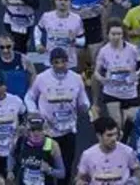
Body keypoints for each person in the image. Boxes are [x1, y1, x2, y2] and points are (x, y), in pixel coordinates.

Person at [24, 48, 91, 185]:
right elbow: (29, 97)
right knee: (46, 165)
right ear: (51, 63)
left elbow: (83, 100)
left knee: (66, 166)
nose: (60, 65)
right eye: (56, 62)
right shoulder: (41, 78)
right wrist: (35, 112)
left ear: (67, 62)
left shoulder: (76, 78)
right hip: (48, 132)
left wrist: (84, 106)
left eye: (63, 62)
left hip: (68, 130)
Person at [74, 117, 140, 185]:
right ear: (99, 136)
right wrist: (80, 182)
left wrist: (132, 182)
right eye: (109, 135)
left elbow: (138, 169)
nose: (114, 138)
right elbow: (80, 177)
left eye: (115, 134)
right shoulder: (87, 155)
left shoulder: (127, 151)